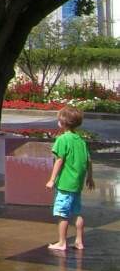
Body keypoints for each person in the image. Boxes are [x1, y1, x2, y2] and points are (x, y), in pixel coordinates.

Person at [46, 105, 95, 251]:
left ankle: (62, 243)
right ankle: (79, 241)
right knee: (77, 212)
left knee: (62, 214)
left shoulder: (62, 139)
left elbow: (59, 161)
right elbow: (88, 160)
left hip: (65, 184)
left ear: (62, 122)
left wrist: (51, 179)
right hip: (77, 184)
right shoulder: (80, 140)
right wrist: (90, 177)